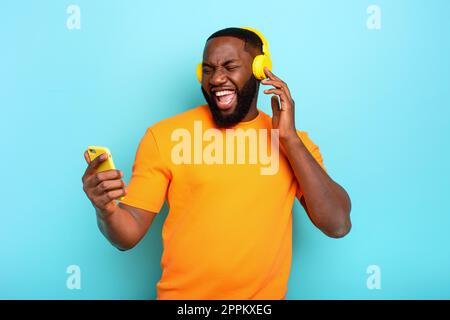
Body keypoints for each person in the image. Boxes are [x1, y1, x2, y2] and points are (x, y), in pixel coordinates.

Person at [82, 27, 352, 300]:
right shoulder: (164, 136)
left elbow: (337, 224)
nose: (217, 78)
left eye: (230, 66)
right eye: (208, 69)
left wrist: (290, 140)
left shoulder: (293, 144)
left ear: (260, 70)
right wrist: (105, 210)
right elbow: (127, 235)